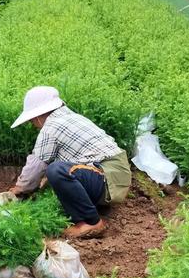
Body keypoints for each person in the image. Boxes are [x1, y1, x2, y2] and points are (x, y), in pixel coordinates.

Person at [10, 86, 131, 239]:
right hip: (117, 177)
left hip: (107, 178)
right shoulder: (73, 118)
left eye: (32, 120)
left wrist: (19, 189)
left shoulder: (51, 127)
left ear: (37, 116)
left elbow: (37, 166)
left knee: (56, 170)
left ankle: (91, 222)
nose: (33, 124)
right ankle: (91, 209)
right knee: (57, 172)